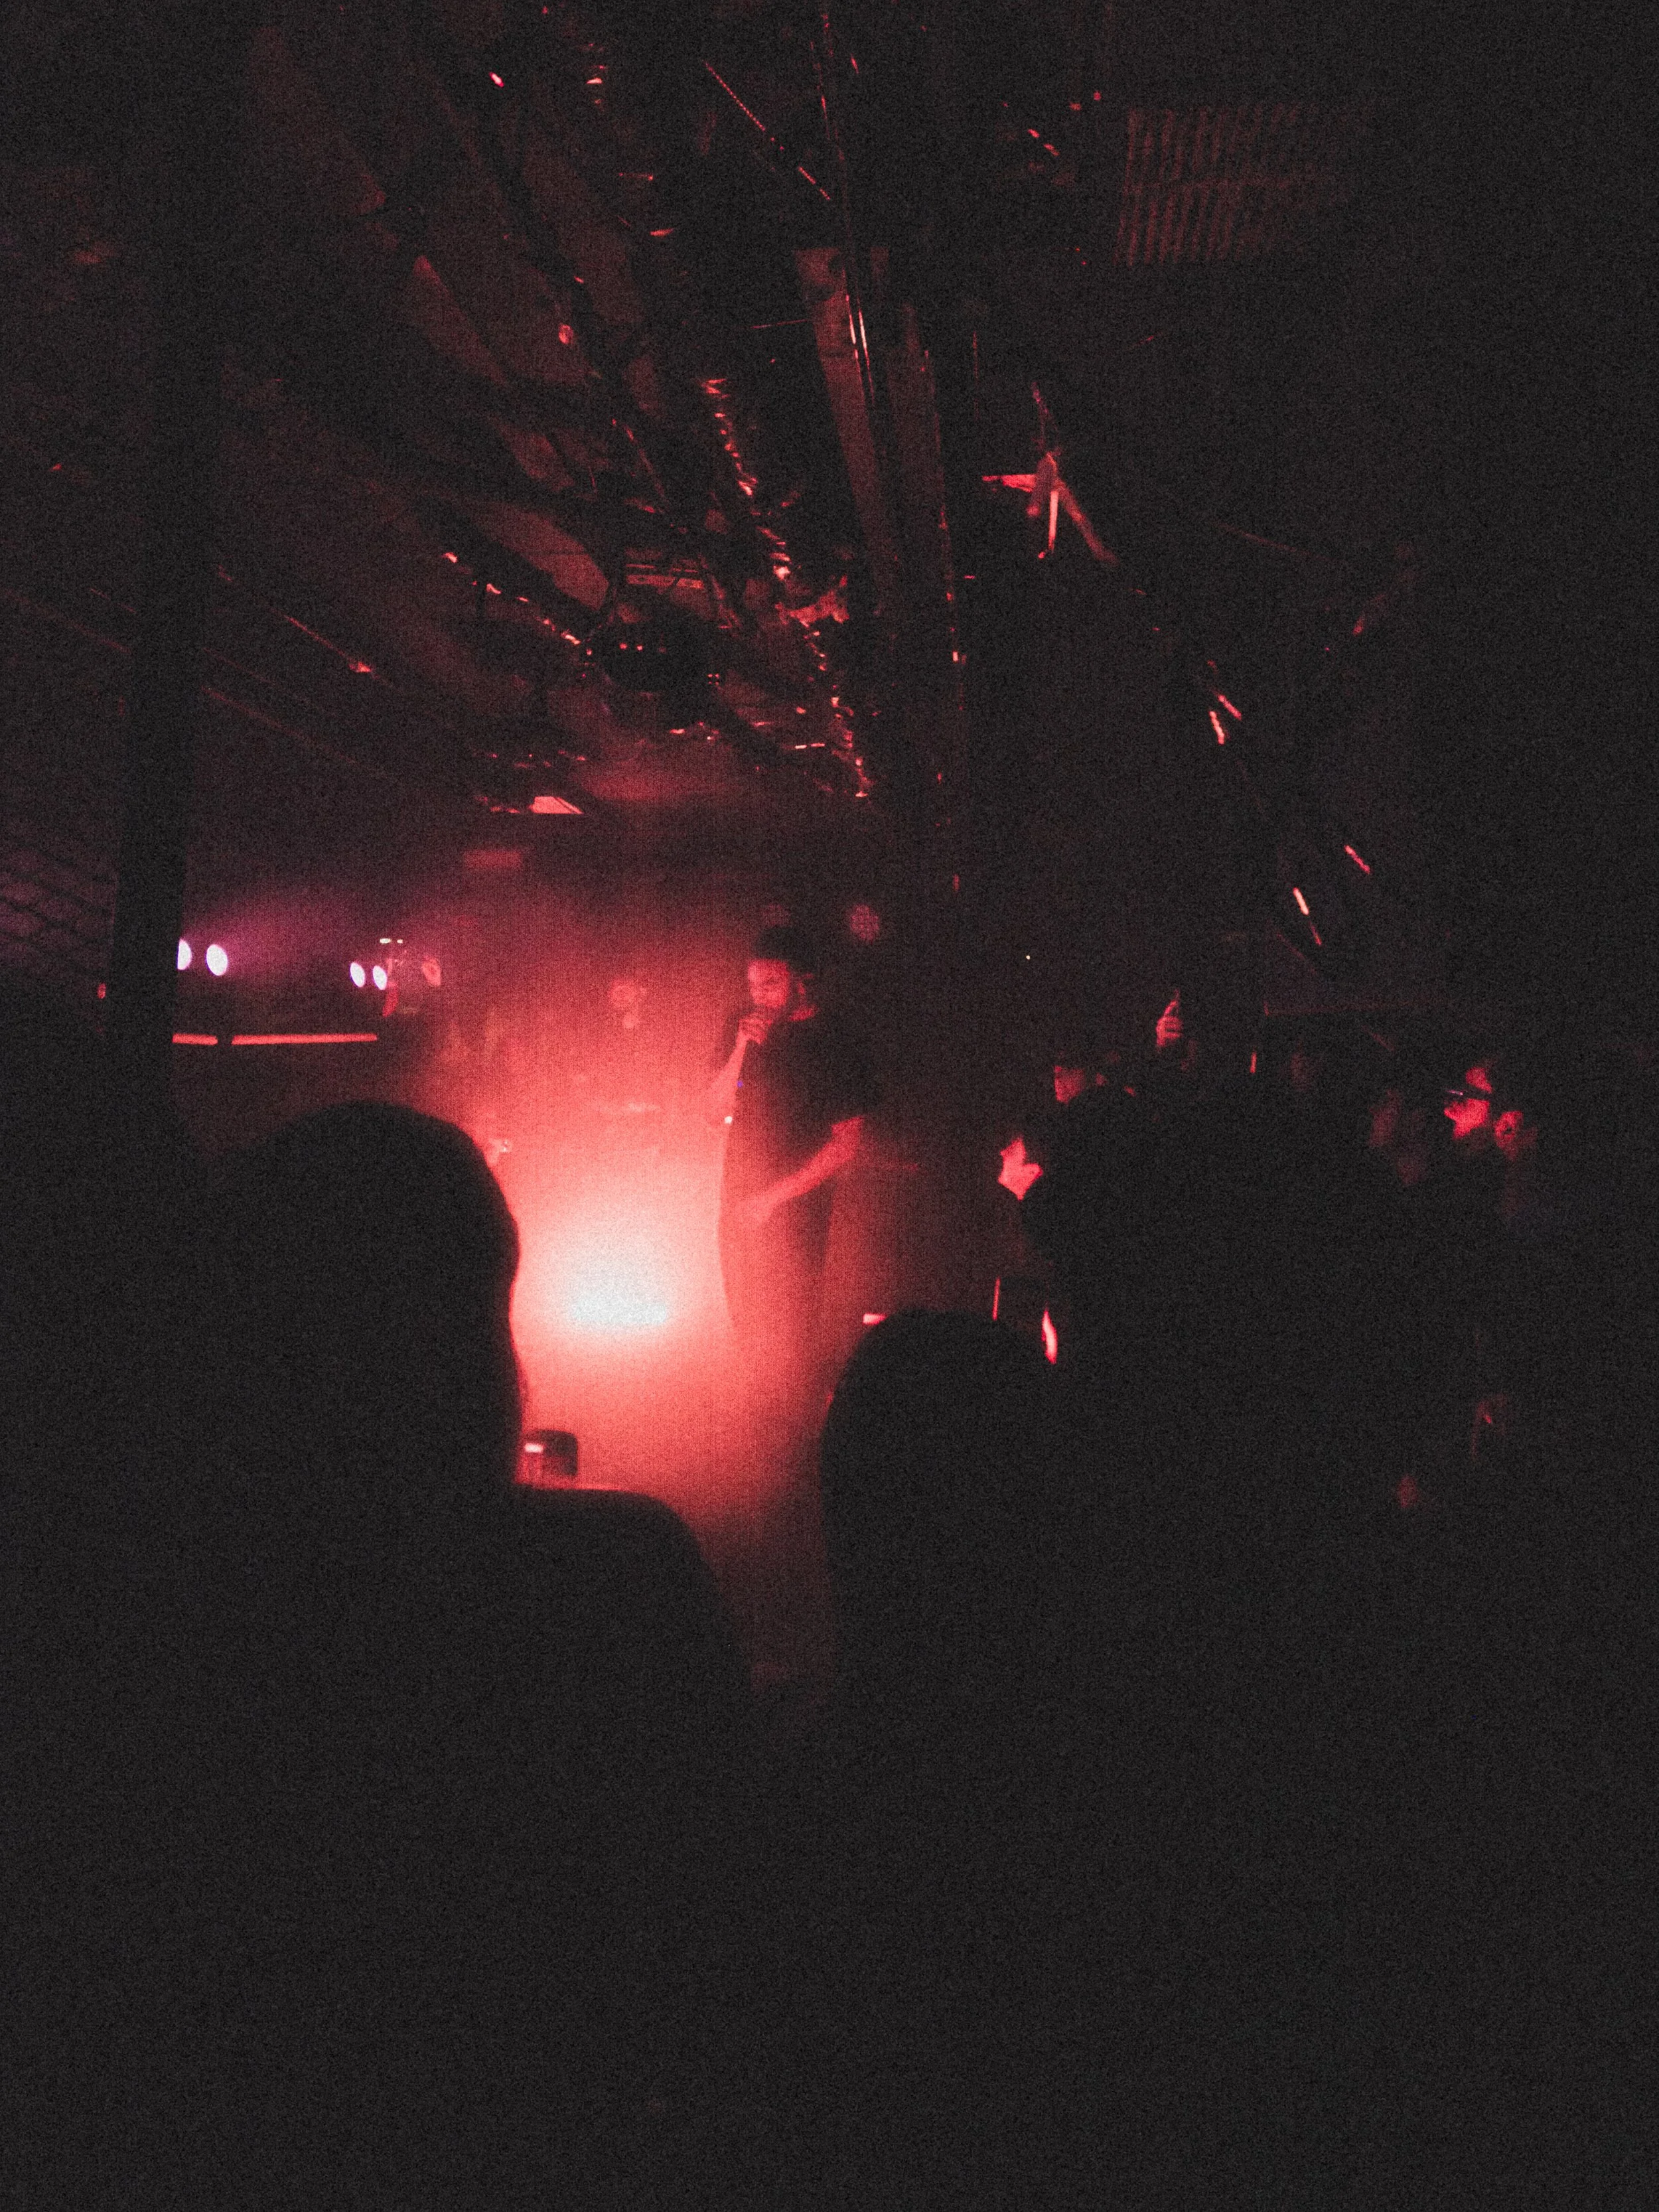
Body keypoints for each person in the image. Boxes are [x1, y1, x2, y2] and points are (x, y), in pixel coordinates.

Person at [705, 926, 877, 1396]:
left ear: (803, 982)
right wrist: (741, 1049)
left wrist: (772, 1199)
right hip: (739, 1203)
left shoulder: (833, 1041)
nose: (758, 997)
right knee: (747, 1330)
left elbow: (846, 1143)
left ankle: (795, 1431)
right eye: (753, 985)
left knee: (792, 1339)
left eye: (771, 985)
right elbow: (712, 1110)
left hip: (798, 1216)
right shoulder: (742, 1027)